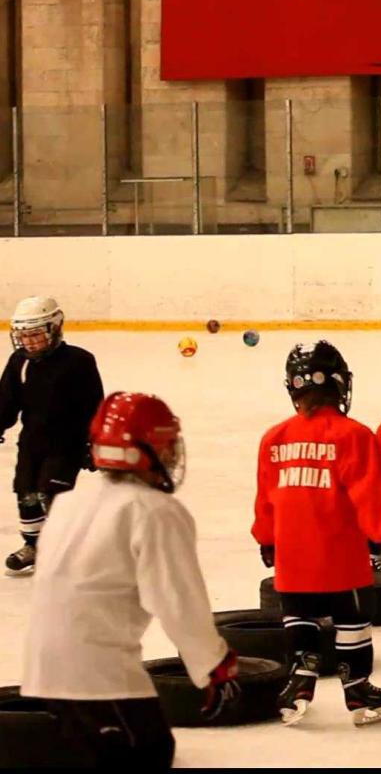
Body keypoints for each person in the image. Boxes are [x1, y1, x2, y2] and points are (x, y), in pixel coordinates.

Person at [21, 392, 240, 767]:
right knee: (148, 751)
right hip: (98, 676)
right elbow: (177, 600)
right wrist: (213, 666)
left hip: (43, 671)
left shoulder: (70, 501)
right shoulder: (154, 511)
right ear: (147, 449)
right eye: (167, 445)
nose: (172, 455)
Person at [253, 341, 381, 726]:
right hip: (341, 559)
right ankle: (357, 688)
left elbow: (266, 499)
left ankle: (300, 679)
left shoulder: (274, 439)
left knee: (299, 615)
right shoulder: (352, 436)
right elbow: (369, 493)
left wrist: (267, 539)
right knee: (352, 618)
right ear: (340, 384)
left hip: (293, 561)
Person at [0, 296, 103, 576]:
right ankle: (34, 546)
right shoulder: (19, 361)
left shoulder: (79, 362)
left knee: (53, 492)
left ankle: (64, 548)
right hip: (31, 443)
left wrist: (95, 443)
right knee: (26, 493)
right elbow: (7, 401)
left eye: (35, 335)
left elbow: (95, 405)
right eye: (24, 336)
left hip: (67, 445)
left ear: (55, 328)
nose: (29, 343)